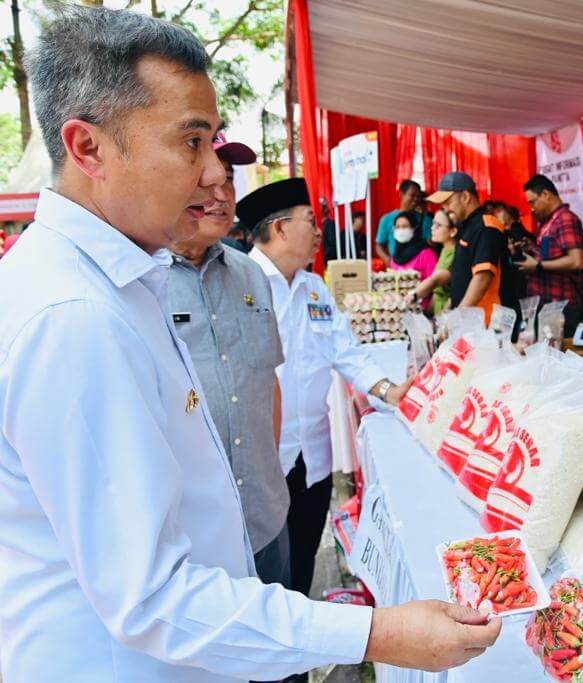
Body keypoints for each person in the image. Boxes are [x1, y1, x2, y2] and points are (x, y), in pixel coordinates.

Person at [0, 7, 499, 682]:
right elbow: (155, 599)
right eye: (191, 143)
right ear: (88, 148)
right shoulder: (73, 317)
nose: (215, 176)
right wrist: (379, 630)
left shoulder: (120, 281)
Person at [240, 179, 414, 608]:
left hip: (312, 459)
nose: (320, 232)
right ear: (279, 229)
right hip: (262, 462)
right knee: (262, 579)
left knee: (300, 567)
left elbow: (346, 352)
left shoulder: (314, 287)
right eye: (310, 221)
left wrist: (390, 391)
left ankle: (295, 665)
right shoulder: (239, 284)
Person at [168, 134, 292, 588]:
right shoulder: (143, 285)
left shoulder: (251, 274)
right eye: (203, 176)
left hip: (265, 517)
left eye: (229, 177)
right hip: (192, 538)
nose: (221, 192)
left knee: (283, 653)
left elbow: (268, 385)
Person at [427, 171, 520, 326]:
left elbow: (482, 278)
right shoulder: (466, 227)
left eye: (448, 202)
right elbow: (462, 275)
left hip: (490, 323)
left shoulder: (487, 227)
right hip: (471, 322)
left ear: (465, 197)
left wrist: (458, 316)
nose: (445, 209)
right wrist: (449, 311)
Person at [519, 174, 583, 336]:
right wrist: (532, 249)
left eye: (533, 202)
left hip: (561, 306)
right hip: (546, 305)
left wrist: (538, 266)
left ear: (546, 195)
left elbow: (577, 261)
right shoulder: (547, 222)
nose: (532, 208)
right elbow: (551, 255)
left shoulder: (565, 219)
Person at [409, 209, 458, 315]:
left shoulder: (454, 255)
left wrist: (413, 296)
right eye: (433, 224)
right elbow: (437, 292)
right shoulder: (445, 251)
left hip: (449, 313)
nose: (432, 228)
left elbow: (434, 281)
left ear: (453, 231)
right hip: (438, 311)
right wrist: (428, 314)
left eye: (438, 225)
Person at [375, 179, 430, 264]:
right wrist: (387, 260)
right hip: (396, 267)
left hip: (419, 266)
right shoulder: (387, 219)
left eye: (418, 196)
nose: (416, 199)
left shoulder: (426, 220)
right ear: (401, 195)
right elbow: (379, 245)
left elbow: (430, 244)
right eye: (412, 195)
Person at [390, 209, 439, 283]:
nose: (401, 230)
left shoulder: (427, 254)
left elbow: (435, 282)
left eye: (405, 226)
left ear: (414, 229)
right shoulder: (395, 256)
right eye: (397, 227)